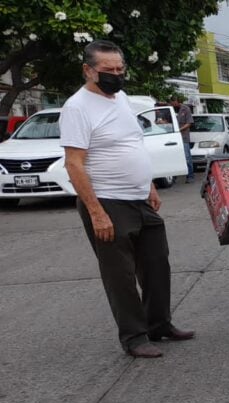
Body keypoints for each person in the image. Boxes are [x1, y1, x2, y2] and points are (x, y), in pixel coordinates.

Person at [59, 40, 194, 358]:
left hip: (138, 198)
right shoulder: (77, 108)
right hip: (107, 201)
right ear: (88, 70)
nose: (116, 75)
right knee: (120, 276)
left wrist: (148, 184)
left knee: (157, 264)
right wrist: (96, 211)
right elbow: (74, 163)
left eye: (120, 69)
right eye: (108, 70)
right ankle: (134, 337)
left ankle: (159, 324)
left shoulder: (120, 99)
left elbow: (131, 144)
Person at [168, 95, 193, 183]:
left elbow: (189, 123)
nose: (172, 104)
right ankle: (174, 177)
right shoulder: (170, 109)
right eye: (171, 103)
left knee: (187, 157)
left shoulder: (185, 109)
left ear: (176, 101)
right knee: (173, 157)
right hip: (173, 138)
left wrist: (178, 130)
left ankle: (190, 176)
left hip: (183, 137)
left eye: (173, 102)